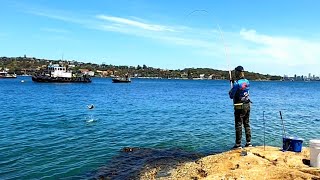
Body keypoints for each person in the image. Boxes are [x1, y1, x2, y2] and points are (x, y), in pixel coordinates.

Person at [229, 66, 252, 149]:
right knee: (246, 123)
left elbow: (231, 96)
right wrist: (234, 82)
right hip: (247, 105)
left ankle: (238, 144)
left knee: (238, 124)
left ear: (237, 72)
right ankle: (248, 142)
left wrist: (231, 89)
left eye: (235, 72)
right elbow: (242, 87)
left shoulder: (236, 84)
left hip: (239, 106)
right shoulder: (247, 81)